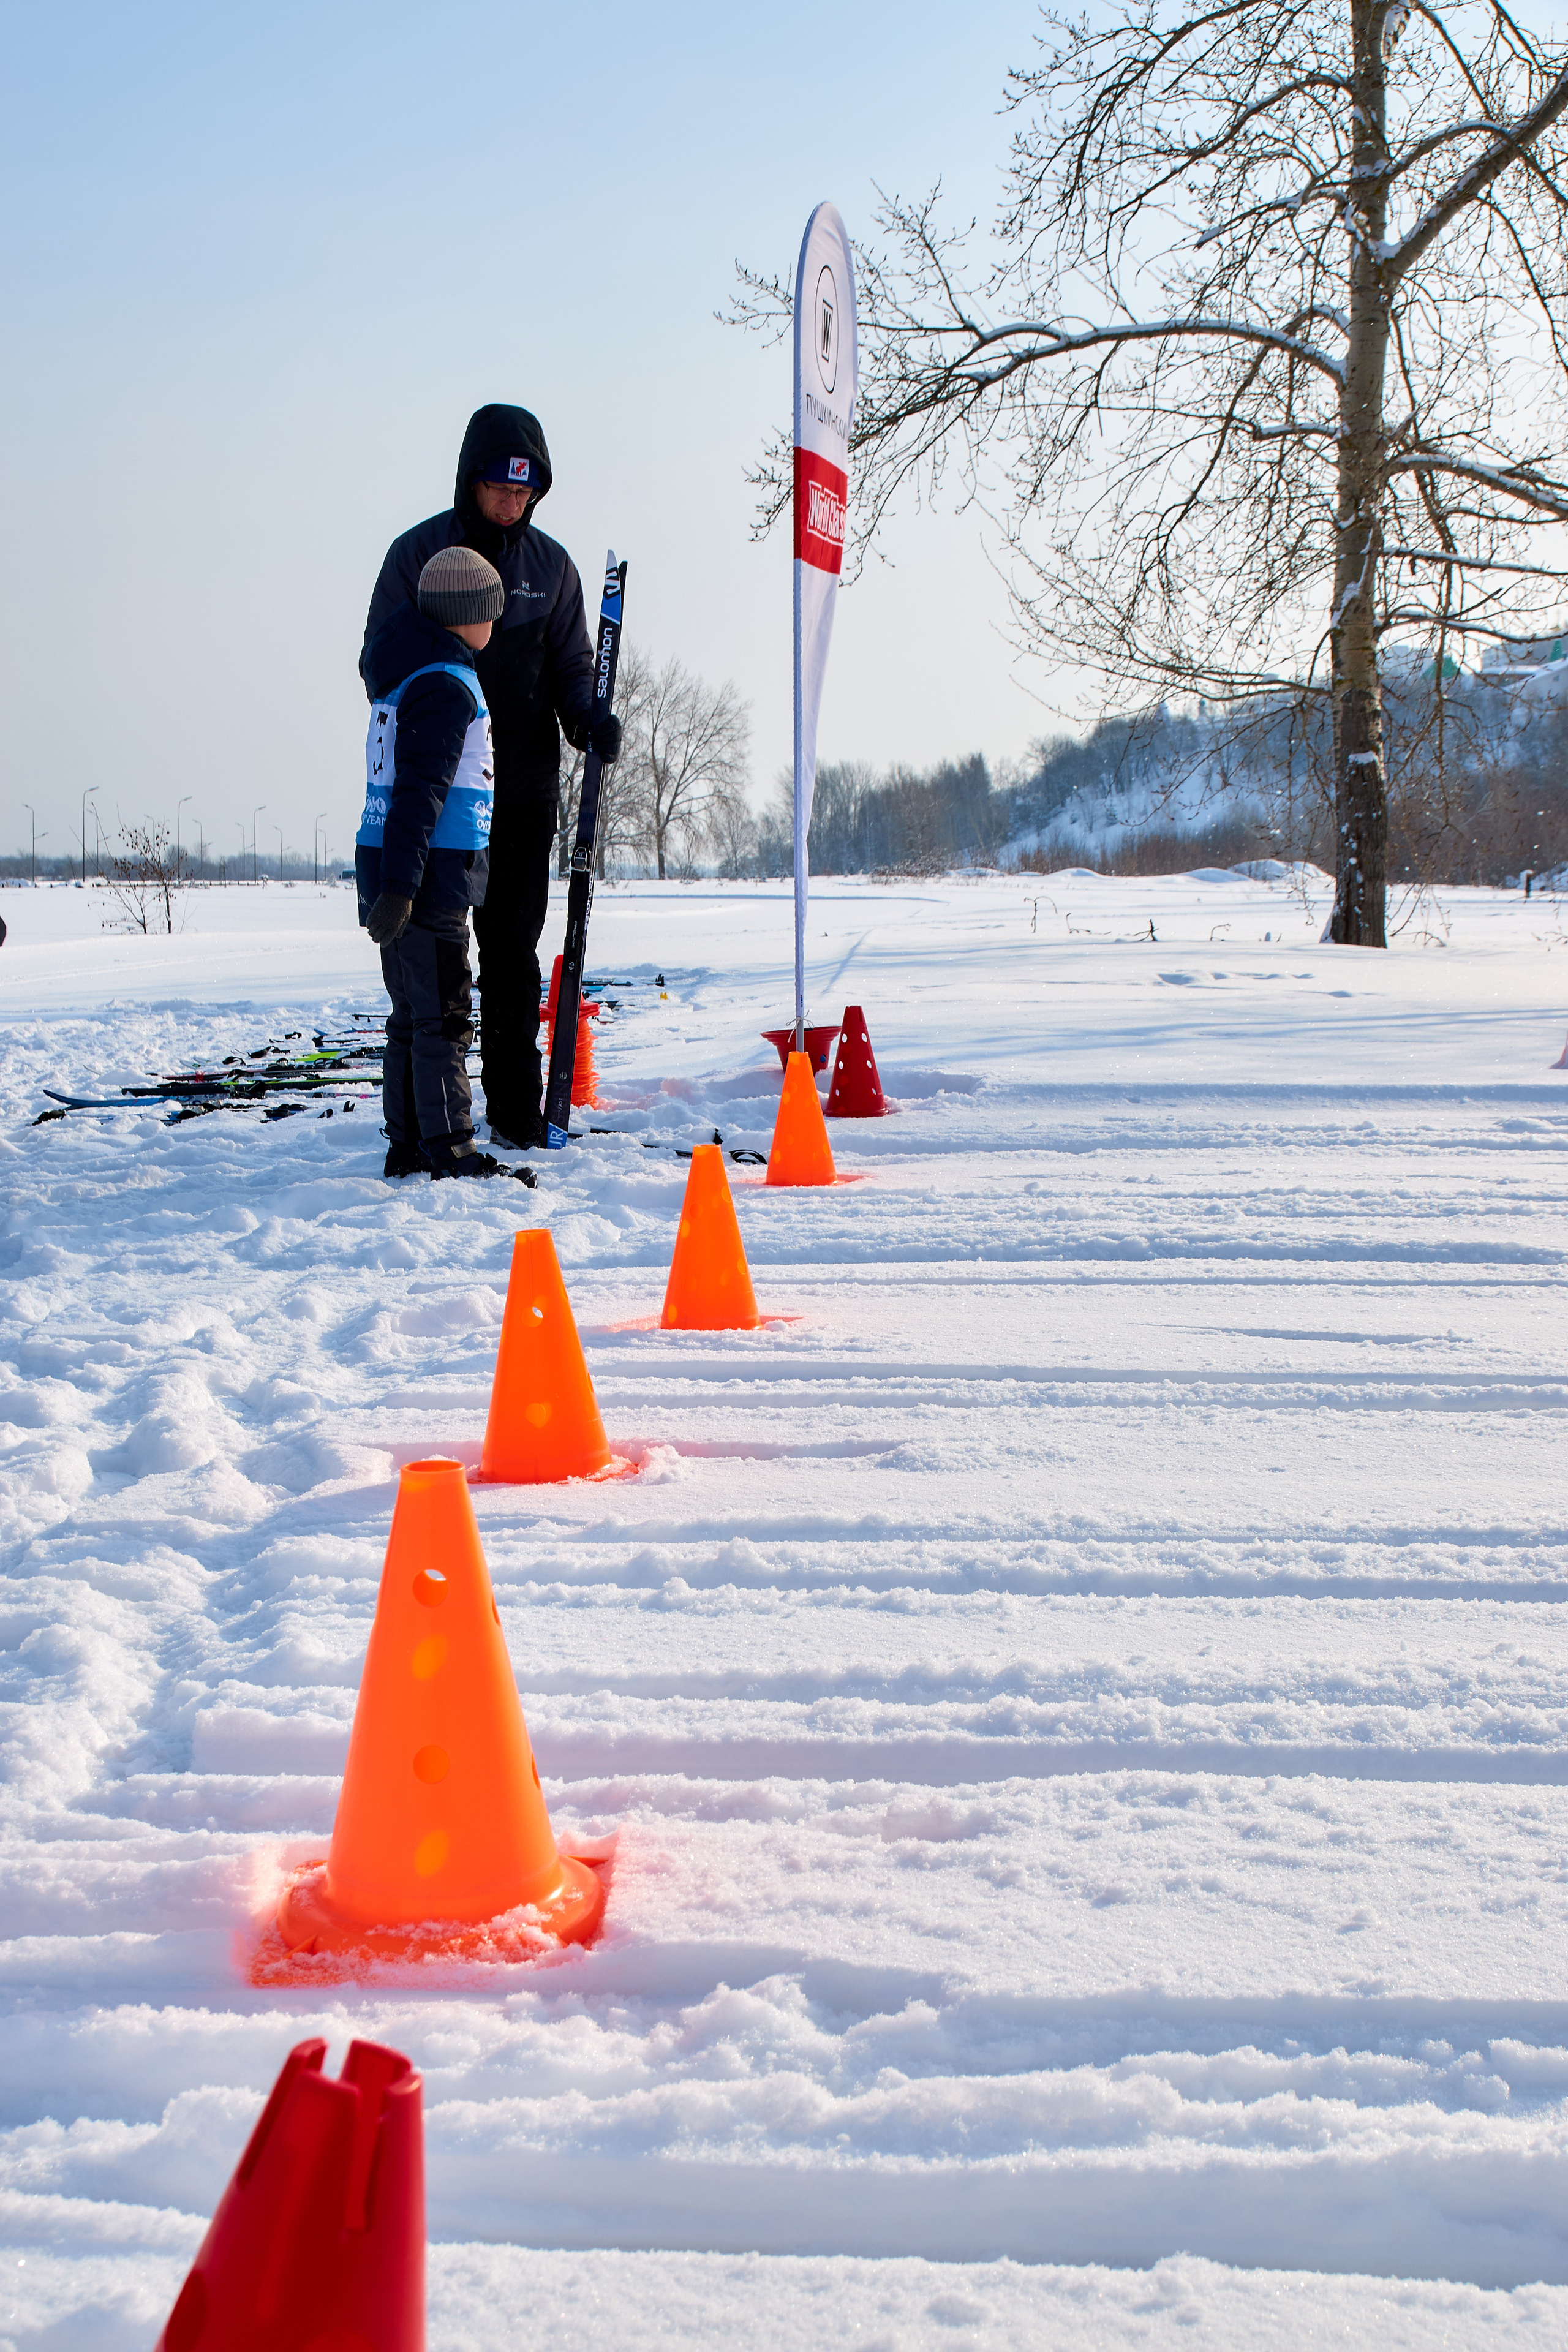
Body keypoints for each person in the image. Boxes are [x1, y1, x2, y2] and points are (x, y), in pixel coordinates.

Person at [362, 404, 621, 1147]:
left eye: (526, 490)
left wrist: (587, 721)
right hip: (440, 800)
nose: (512, 503)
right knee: (432, 963)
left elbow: (574, 668)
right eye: (499, 488)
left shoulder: (551, 568)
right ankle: (422, 1119)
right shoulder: (419, 555)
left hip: (522, 793)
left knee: (511, 954)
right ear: (470, 479)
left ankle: (513, 1105)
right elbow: (375, 663)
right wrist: (441, 686)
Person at [355, 543, 532, 1184]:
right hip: (424, 880)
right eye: (491, 611)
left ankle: (410, 1145)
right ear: (466, 616)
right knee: (445, 1017)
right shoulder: (444, 684)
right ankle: (450, 1149)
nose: (496, 624)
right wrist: (404, 888)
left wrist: (393, 883)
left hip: (397, 873)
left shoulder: (406, 672)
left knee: (412, 1017)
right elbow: (420, 793)